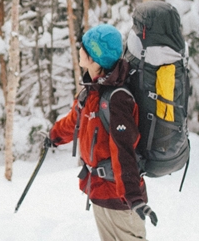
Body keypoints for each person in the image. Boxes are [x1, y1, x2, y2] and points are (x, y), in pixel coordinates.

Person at [48, 24, 157, 241]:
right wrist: (54, 137)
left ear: (94, 58)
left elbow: (124, 150)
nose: (79, 49)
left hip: (121, 201)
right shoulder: (91, 91)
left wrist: (134, 198)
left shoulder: (117, 99)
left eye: (84, 47)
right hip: (100, 194)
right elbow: (74, 121)